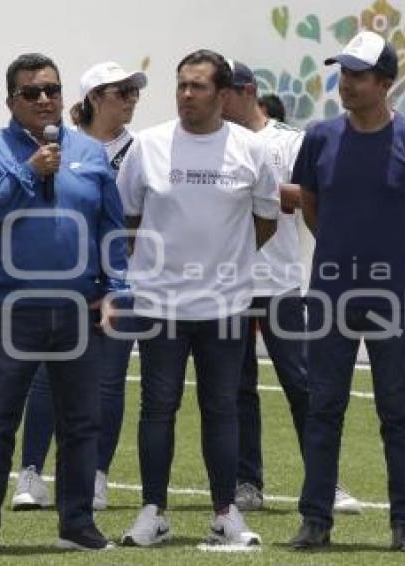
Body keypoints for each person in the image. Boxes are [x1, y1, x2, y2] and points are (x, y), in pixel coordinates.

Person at [0, 52, 128, 552]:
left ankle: (77, 524)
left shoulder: (91, 154)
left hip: (80, 310)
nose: (44, 99)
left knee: (80, 423)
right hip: (14, 311)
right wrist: (29, 171)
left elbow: (113, 231)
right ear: (11, 100)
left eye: (52, 89)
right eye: (32, 93)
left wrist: (118, 291)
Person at [288, 31, 405, 551]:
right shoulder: (319, 137)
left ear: (385, 82)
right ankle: (316, 520)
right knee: (323, 409)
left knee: (396, 410)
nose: (347, 84)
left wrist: (394, 260)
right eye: (344, 74)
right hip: (330, 297)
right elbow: (311, 205)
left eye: (358, 75)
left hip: (394, 298)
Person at [116, 49, 278, 550]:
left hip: (226, 306)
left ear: (223, 94)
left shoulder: (252, 149)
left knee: (222, 409)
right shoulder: (147, 145)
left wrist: (225, 267)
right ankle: (152, 513)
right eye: (182, 84)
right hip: (159, 304)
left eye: (199, 86)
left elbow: (266, 219)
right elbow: (127, 217)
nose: (187, 94)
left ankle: (225, 514)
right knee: (156, 408)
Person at [221, 60, 360, 515]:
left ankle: (326, 482)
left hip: (280, 282)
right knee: (237, 389)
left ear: (246, 91)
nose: (214, 101)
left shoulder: (290, 141)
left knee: (302, 384)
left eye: (223, 92)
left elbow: (310, 197)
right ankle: (247, 483)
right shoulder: (216, 143)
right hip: (229, 284)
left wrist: (261, 189)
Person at [11, 60, 146, 512]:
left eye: (132, 89)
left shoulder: (142, 149)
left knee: (108, 383)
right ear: (92, 98)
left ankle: (96, 475)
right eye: (119, 90)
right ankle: (30, 472)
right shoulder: (64, 146)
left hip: (121, 281)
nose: (130, 97)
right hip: (62, 284)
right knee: (47, 379)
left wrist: (117, 281)